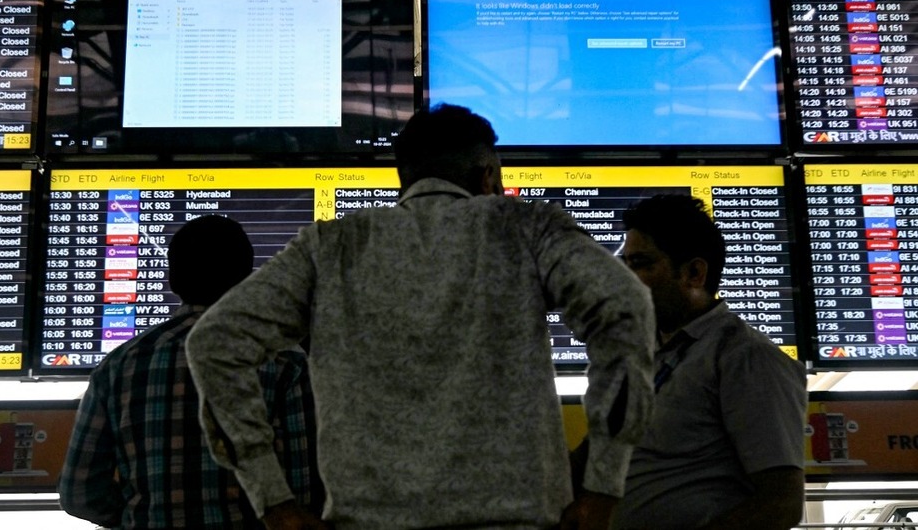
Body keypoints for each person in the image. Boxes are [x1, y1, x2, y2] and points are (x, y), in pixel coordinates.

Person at [186, 104, 656, 529]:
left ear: (402, 179)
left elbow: (216, 342)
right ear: (489, 175)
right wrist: (603, 484)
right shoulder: (526, 228)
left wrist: (273, 500)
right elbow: (625, 307)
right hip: (518, 518)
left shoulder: (330, 248)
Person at [59, 214, 321, 529]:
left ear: (173, 280)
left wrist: (136, 515)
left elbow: (79, 493)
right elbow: (307, 485)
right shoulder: (287, 363)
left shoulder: (118, 367)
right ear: (248, 282)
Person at [609, 194, 807, 530]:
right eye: (623, 264)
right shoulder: (647, 356)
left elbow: (780, 503)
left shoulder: (745, 357)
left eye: (641, 264)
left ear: (694, 273)